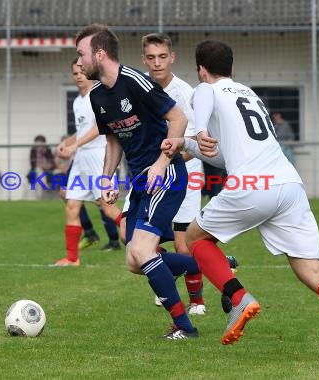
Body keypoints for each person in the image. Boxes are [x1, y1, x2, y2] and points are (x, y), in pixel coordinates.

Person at [161, 40, 319, 363]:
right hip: (288, 184)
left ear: (201, 71)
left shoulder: (206, 90)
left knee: (193, 238)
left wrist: (200, 130)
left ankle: (237, 298)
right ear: (231, 68)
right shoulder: (249, 94)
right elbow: (225, 155)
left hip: (253, 184)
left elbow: (204, 97)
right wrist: (190, 145)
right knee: (312, 270)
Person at [75, 24, 201, 339]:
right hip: (141, 181)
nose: (78, 62)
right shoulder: (98, 96)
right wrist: (106, 178)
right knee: (134, 261)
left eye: (81, 54)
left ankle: (184, 327)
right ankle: (205, 263)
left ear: (99, 54)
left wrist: (162, 163)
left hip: (166, 175)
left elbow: (179, 119)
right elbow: (114, 141)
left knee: (144, 250)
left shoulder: (135, 81)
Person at [139, 32, 209, 315]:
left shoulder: (185, 94)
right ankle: (169, 272)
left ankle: (197, 303)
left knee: (183, 242)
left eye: (162, 57)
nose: (157, 63)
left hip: (184, 172)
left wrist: (163, 160)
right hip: (150, 172)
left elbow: (192, 144)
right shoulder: (139, 86)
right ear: (144, 59)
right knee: (134, 239)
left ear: (172, 57)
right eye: (151, 58)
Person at [53, 59, 123, 266]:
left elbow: (98, 128)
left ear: (89, 72)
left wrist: (75, 146)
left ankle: (140, 238)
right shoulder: (77, 101)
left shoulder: (98, 95)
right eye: (75, 73)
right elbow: (84, 130)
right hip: (82, 157)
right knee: (72, 204)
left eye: (82, 71)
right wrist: (68, 142)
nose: (79, 76)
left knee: (108, 207)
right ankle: (72, 258)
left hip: (98, 155)